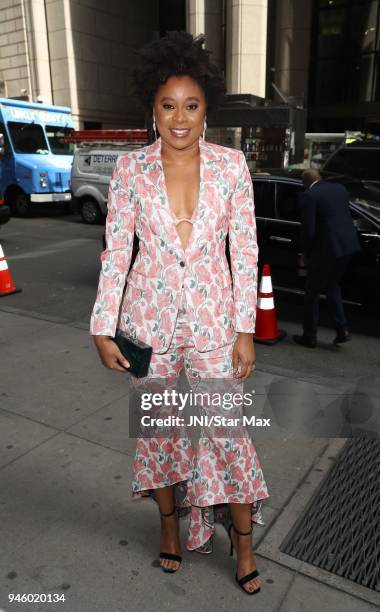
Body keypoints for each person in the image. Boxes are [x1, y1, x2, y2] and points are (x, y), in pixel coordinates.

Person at [90, 30, 269, 595]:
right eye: (168, 106)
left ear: (207, 108)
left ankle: (241, 539)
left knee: (229, 435)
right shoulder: (130, 172)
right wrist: (101, 323)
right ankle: (169, 526)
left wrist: (245, 328)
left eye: (191, 105)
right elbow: (118, 251)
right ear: (153, 108)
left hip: (216, 327)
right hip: (150, 328)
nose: (180, 118)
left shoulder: (232, 166)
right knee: (160, 436)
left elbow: (245, 249)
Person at [293, 168, 361, 348]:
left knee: (312, 292)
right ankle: (342, 329)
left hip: (326, 250)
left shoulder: (310, 195)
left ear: (305, 182)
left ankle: (309, 336)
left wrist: (306, 253)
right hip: (347, 246)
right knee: (332, 286)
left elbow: (308, 230)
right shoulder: (340, 189)